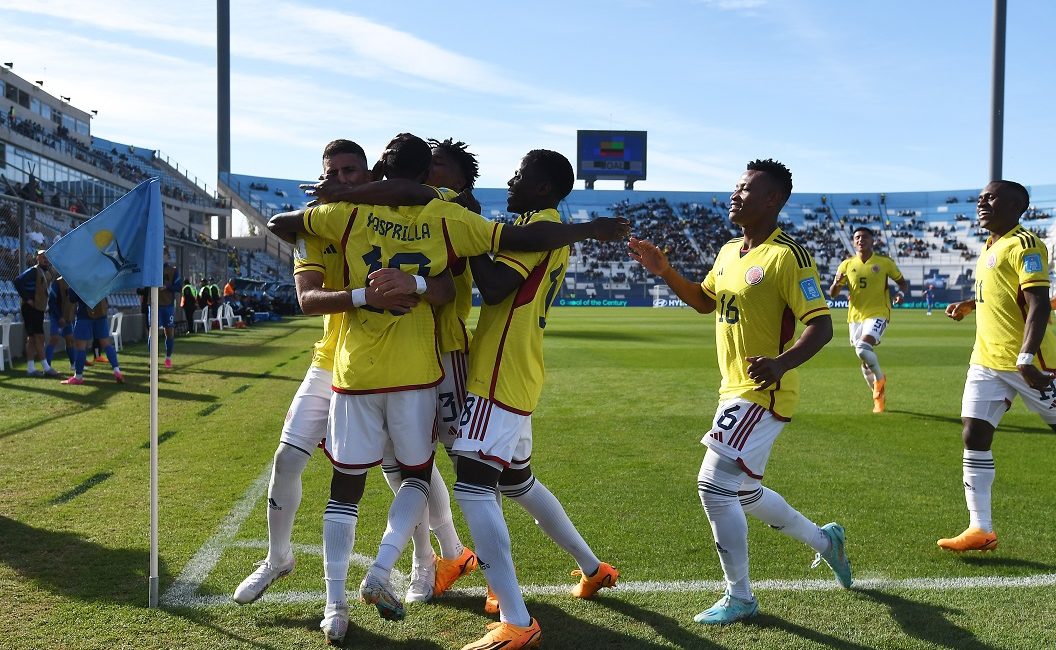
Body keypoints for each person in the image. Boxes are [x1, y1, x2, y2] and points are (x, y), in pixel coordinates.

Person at [269, 135, 628, 645]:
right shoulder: (431, 210)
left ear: (457, 180)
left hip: (457, 356)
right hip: (434, 357)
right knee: (492, 477)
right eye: (428, 164)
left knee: (468, 472)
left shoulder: (467, 215)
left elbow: (493, 276)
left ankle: (502, 600)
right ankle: (563, 566)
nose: (430, 173)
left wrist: (466, 235)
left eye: (441, 165)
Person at [629, 159, 852, 625]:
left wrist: (780, 364)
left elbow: (823, 326)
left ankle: (741, 596)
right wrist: (665, 270)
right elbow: (703, 301)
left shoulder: (788, 256)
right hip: (732, 389)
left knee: (712, 485)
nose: (735, 195)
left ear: (773, 200)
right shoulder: (730, 250)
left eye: (746, 189)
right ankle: (825, 540)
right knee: (745, 491)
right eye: (736, 187)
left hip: (762, 391)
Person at [448, 149, 621, 650]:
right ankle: (594, 569)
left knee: (475, 487)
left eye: (520, 175)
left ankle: (518, 621)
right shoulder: (539, 225)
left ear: (544, 188)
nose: (510, 179)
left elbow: (496, 287)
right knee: (519, 485)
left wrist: (471, 229)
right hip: (518, 370)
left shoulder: (539, 226)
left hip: (499, 375)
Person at [938, 180, 1056, 552]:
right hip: (986, 361)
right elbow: (1002, 294)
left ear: (1016, 206)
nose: (982, 202)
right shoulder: (990, 246)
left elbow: (1038, 303)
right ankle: (980, 528)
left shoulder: (1026, 244)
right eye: (981, 197)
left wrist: (1025, 357)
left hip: (1028, 363)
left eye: (991, 197)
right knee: (974, 434)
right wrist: (969, 304)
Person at [827, 227, 909, 413]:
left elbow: (902, 282)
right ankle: (878, 397)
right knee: (864, 359)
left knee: (863, 348)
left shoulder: (884, 262)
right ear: (853, 241)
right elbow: (833, 294)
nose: (860, 240)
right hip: (855, 317)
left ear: (873, 240)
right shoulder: (846, 265)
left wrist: (901, 293)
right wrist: (836, 283)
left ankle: (880, 381)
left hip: (879, 312)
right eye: (857, 237)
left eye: (864, 237)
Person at [61, 291, 123, 385]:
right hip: (100, 313)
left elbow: (72, 297)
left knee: (80, 347)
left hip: (84, 314)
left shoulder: (79, 277)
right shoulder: (100, 276)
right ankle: (117, 370)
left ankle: (78, 376)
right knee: (106, 344)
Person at [13, 250, 58, 377]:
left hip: (38, 308)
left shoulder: (44, 272)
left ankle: (31, 368)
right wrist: (28, 299)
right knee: (40, 337)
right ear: (37, 258)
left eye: (47, 258)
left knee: (32, 338)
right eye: (43, 257)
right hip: (31, 309)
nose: (46, 260)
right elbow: (17, 281)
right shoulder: (34, 271)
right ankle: (46, 367)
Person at [147, 246, 181, 368]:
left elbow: (178, 287)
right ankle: (152, 359)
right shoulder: (151, 269)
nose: (162, 256)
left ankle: (168, 357)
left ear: (167, 256)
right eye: (159, 254)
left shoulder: (173, 270)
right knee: (153, 332)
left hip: (168, 305)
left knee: (169, 332)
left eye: (164, 254)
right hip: (154, 305)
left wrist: (167, 287)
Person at [45, 275, 77, 374]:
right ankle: (47, 367)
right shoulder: (57, 283)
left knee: (70, 339)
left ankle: (73, 365)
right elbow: (52, 302)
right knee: (54, 339)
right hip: (57, 316)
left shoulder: (74, 282)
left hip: (67, 317)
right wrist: (59, 317)